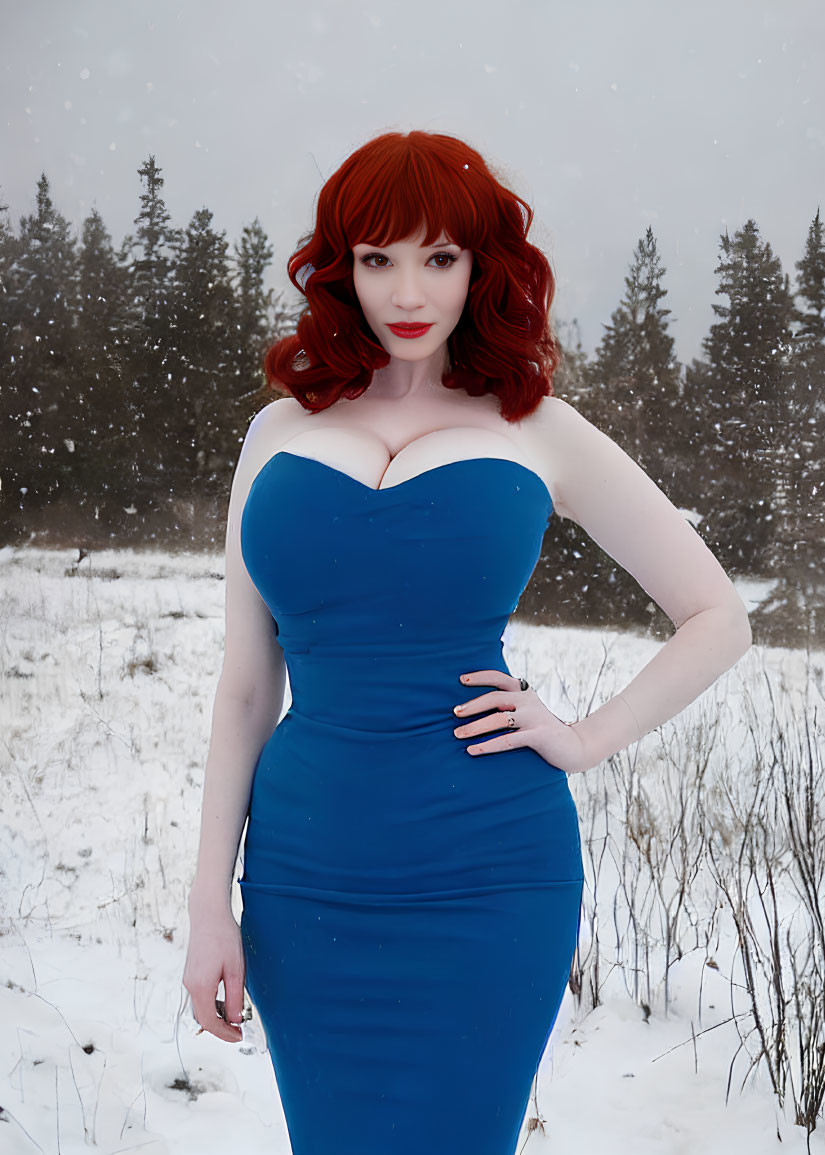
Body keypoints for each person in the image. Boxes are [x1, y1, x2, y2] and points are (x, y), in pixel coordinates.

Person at [182, 129, 752, 1154]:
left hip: (488, 871)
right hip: (307, 873)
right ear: (340, 269)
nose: (408, 289)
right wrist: (206, 907)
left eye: (438, 258)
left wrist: (581, 736)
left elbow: (716, 617)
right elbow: (243, 690)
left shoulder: (535, 426)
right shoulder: (277, 434)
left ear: (480, 267)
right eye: (377, 258)